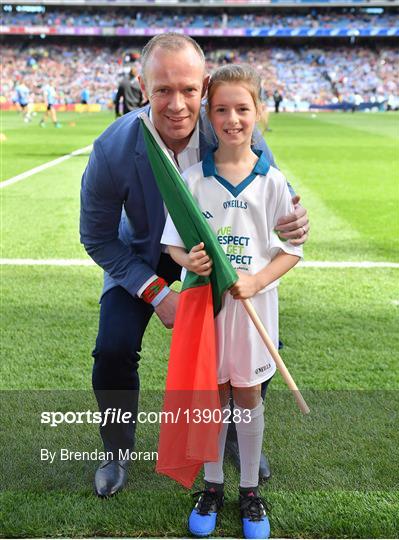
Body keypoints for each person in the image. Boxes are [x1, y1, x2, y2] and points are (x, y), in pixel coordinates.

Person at [80, 33, 309, 499]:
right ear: (143, 87)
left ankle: (230, 435)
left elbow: (270, 205)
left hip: (210, 260)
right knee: (113, 350)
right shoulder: (112, 148)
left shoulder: (233, 128)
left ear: (204, 86)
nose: (177, 104)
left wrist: (294, 222)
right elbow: (98, 237)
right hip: (141, 260)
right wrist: (157, 293)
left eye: (188, 89)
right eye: (163, 89)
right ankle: (116, 451)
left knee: (261, 342)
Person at [161, 64, 302, 540]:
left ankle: (249, 493)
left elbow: (291, 250)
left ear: (259, 112)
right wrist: (193, 261)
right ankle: (212, 486)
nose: (232, 118)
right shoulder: (193, 177)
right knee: (213, 396)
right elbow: (173, 244)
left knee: (246, 396)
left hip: (254, 312)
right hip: (207, 314)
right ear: (208, 114)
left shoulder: (273, 181)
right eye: (221, 109)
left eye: (243, 108)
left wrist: (257, 279)